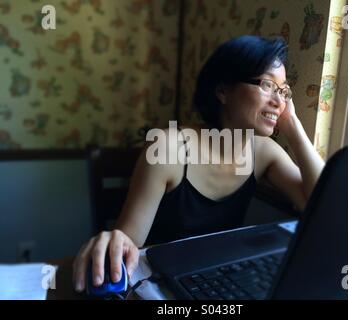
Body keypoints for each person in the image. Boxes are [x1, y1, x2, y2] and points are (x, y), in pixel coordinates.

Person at [72, 35, 325, 292]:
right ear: (223, 90)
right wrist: (111, 242)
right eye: (267, 85)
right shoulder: (169, 147)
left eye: (283, 91)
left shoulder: (264, 152)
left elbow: (323, 205)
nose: (279, 101)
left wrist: (294, 129)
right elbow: (129, 241)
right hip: (159, 285)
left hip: (216, 281)